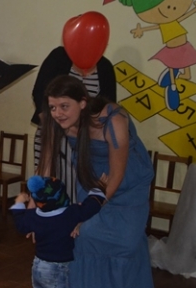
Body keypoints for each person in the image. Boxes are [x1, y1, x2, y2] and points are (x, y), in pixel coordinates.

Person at [37, 75, 154, 288]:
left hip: (127, 183)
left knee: (125, 243)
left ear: (83, 103)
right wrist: (36, 211)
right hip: (92, 179)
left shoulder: (113, 120)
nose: (57, 113)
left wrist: (87, 212)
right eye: (53, 107)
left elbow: (117, 174)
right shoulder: (55, 121)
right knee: (82, 237)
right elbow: (45, 168)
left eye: (64, 106)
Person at [30, 45, 116, 202]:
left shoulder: (105, 67)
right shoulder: (58, 57)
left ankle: (76, 222)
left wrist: (82, 134)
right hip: (52, 131)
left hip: (85, 139)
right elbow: (39, 94)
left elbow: (107, 110)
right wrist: (54, 125)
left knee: (78, 188)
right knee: (48, 187)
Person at [10, 176, 106, 288]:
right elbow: (92, 206)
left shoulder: (33, 216)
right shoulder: (70, 214)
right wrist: (99, 188)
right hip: (57, 270)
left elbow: (20, 223)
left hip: (38, 266)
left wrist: (19, 202)